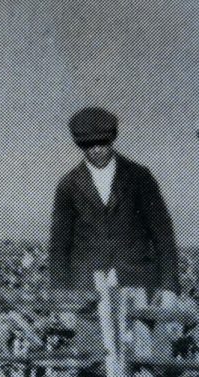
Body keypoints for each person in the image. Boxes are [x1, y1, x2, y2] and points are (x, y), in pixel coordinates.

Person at [48, 107, 180, 296]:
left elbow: (163, 235)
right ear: (79, 145)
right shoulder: (68, 185)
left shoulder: (140, 177)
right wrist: (60, 296)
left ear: (112, 138)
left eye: (102, 143)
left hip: (138, 287)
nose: (96, 150)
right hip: (86, 293)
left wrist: (169, 288)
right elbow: (59, 246)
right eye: (88, 145)